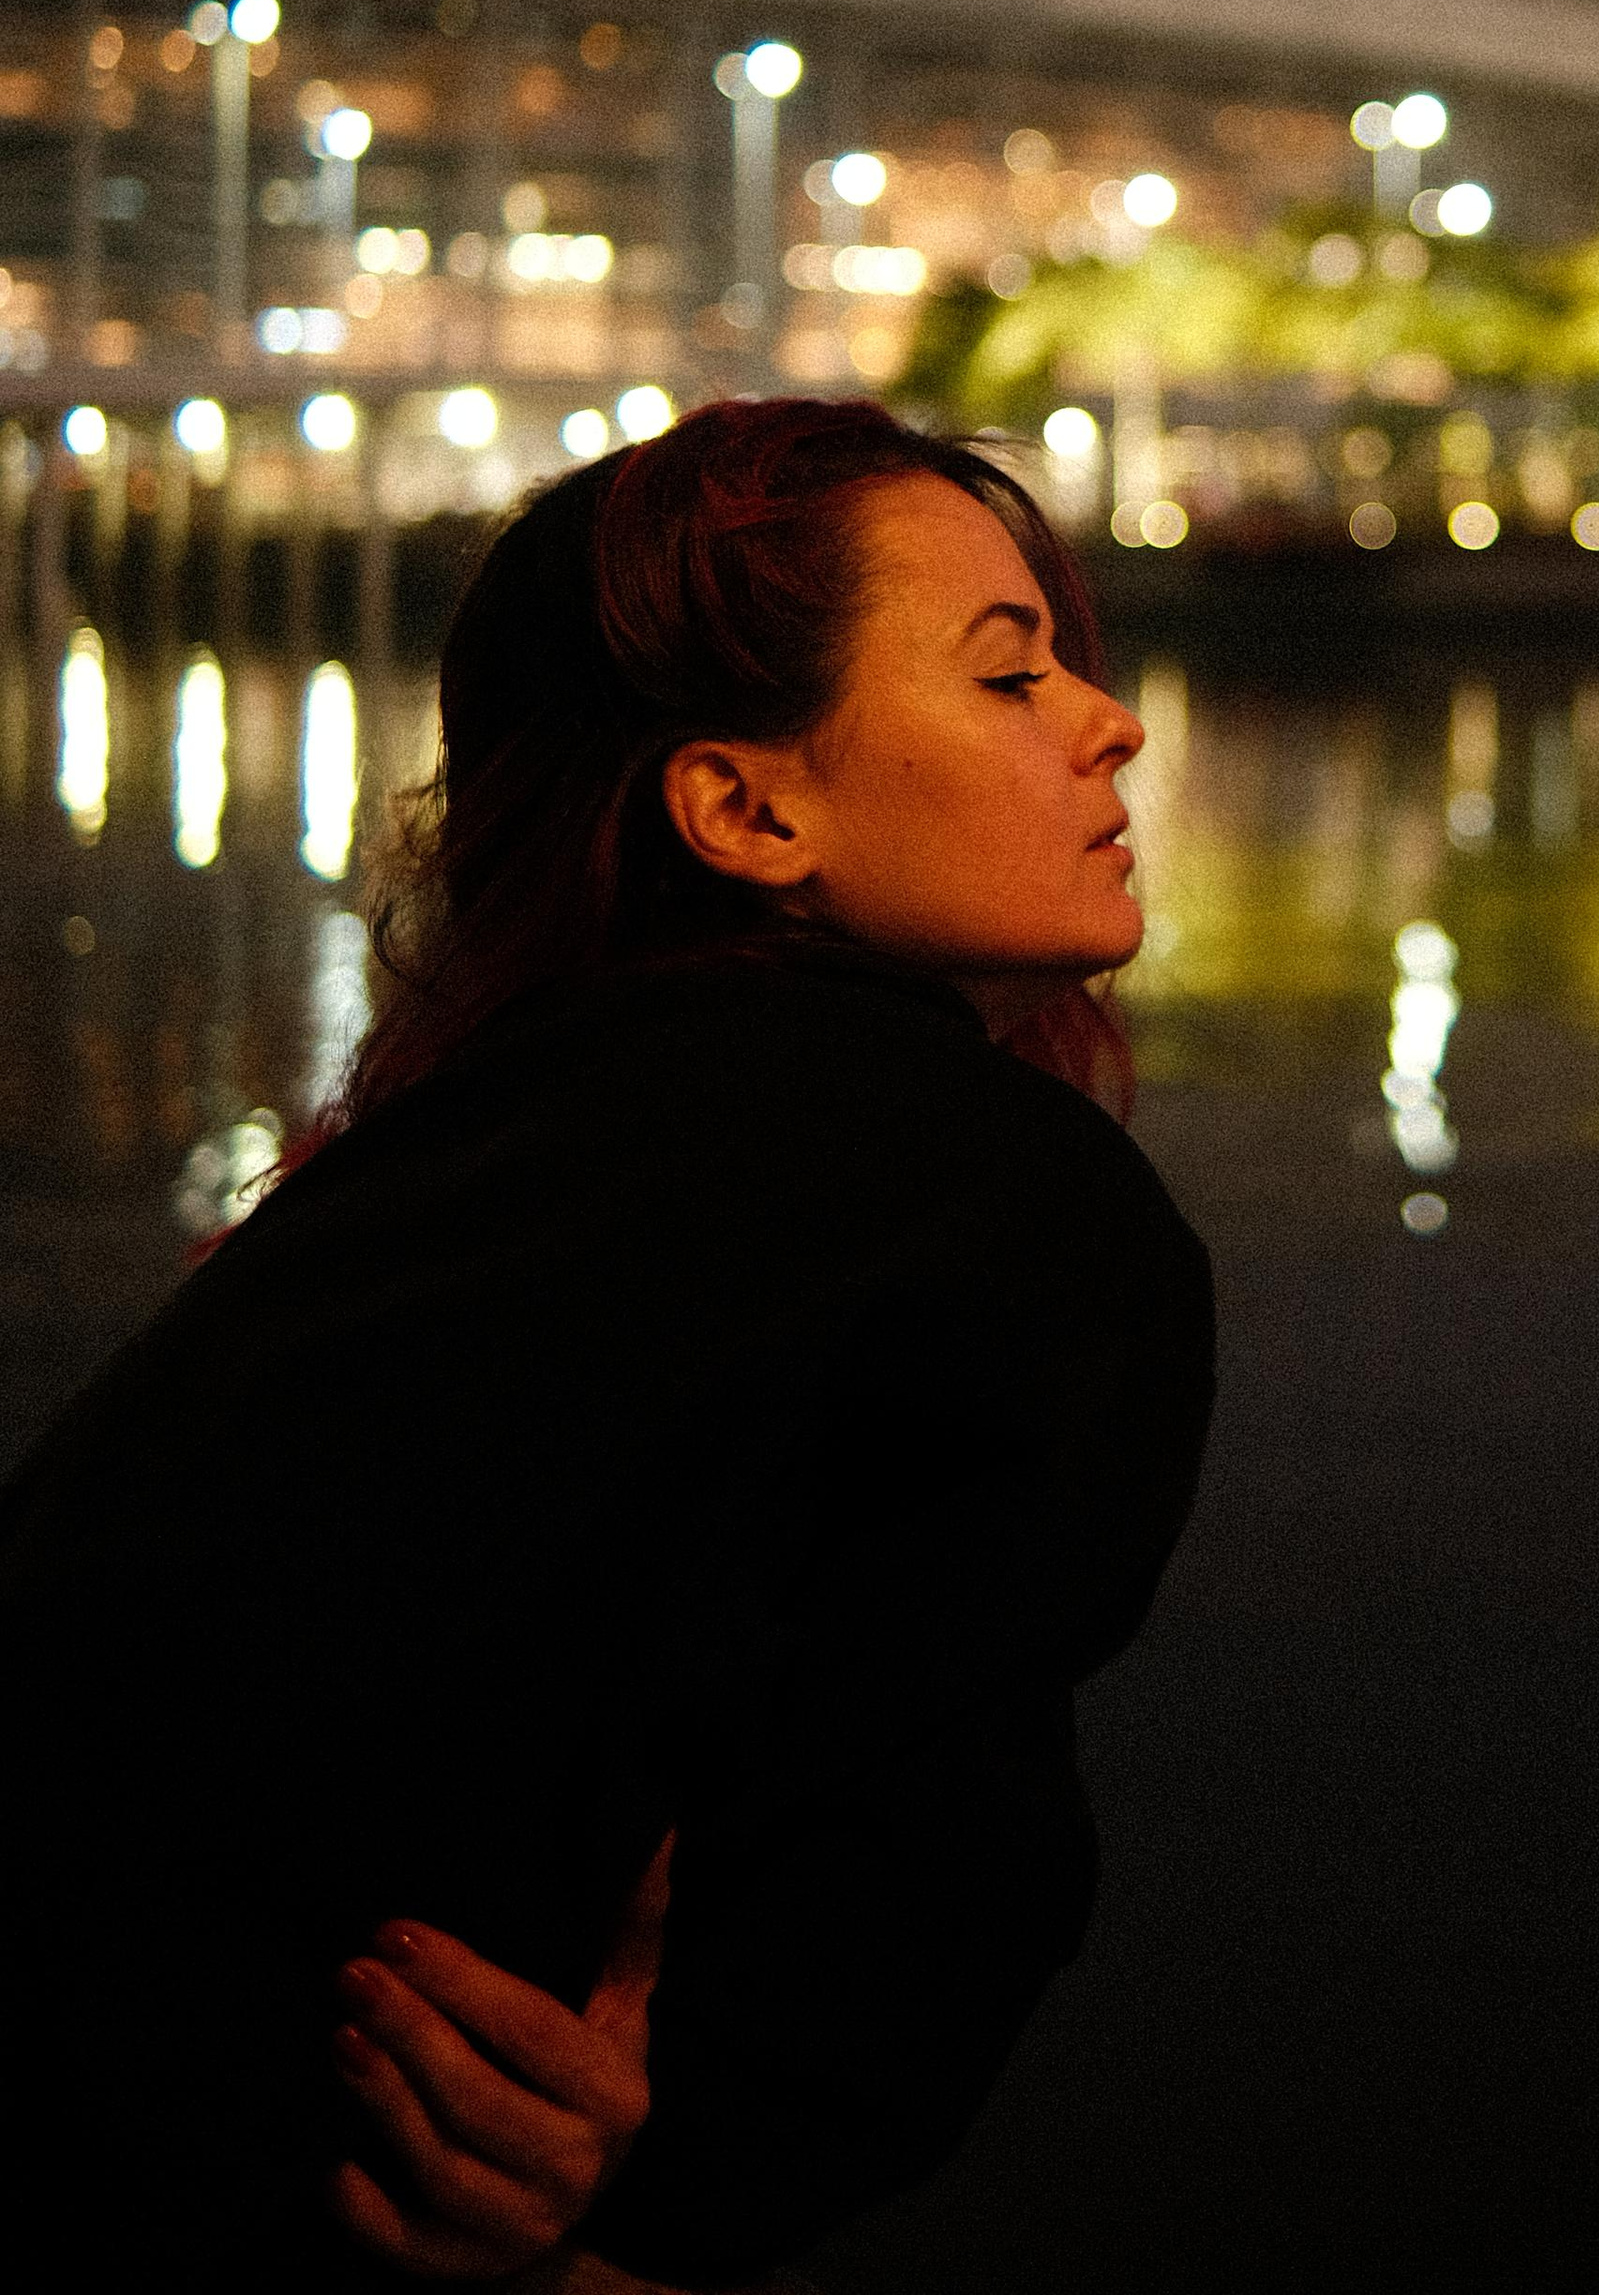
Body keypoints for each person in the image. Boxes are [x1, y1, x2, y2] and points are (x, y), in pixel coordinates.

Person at [0, 397, 1215, 2288]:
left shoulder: (405, 1177)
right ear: (741, 807)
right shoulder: (997, 1205)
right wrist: (641, 2220)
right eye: (1008, 674)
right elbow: (920, 1924)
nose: (1107, 718)